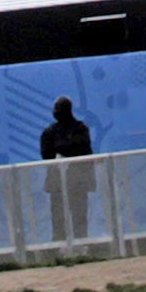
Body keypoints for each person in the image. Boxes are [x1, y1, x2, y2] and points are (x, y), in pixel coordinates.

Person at [40, 97, 95, 247]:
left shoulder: (80, 129)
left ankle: (82, 247)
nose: (55, 112)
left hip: (77, 182)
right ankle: (59, 249)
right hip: (57, 184)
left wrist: (62, 151)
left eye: (58, 109)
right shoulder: (49, 133)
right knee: (58, 220)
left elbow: (84, 151)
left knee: (79, 218)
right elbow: (47, 156)